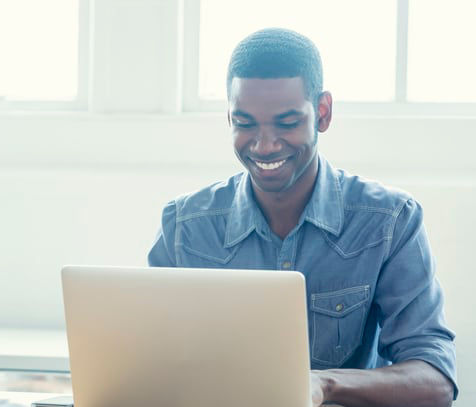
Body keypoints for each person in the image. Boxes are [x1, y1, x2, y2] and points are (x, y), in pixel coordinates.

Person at [148, 28, 457, 407]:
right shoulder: (186, 226)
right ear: (229, 116)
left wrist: (324, 384)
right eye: (245, 123)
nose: (264, 145)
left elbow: (435, 380)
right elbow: (147, 361)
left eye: (286, 123)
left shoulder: (389, 221)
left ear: (322, 113)